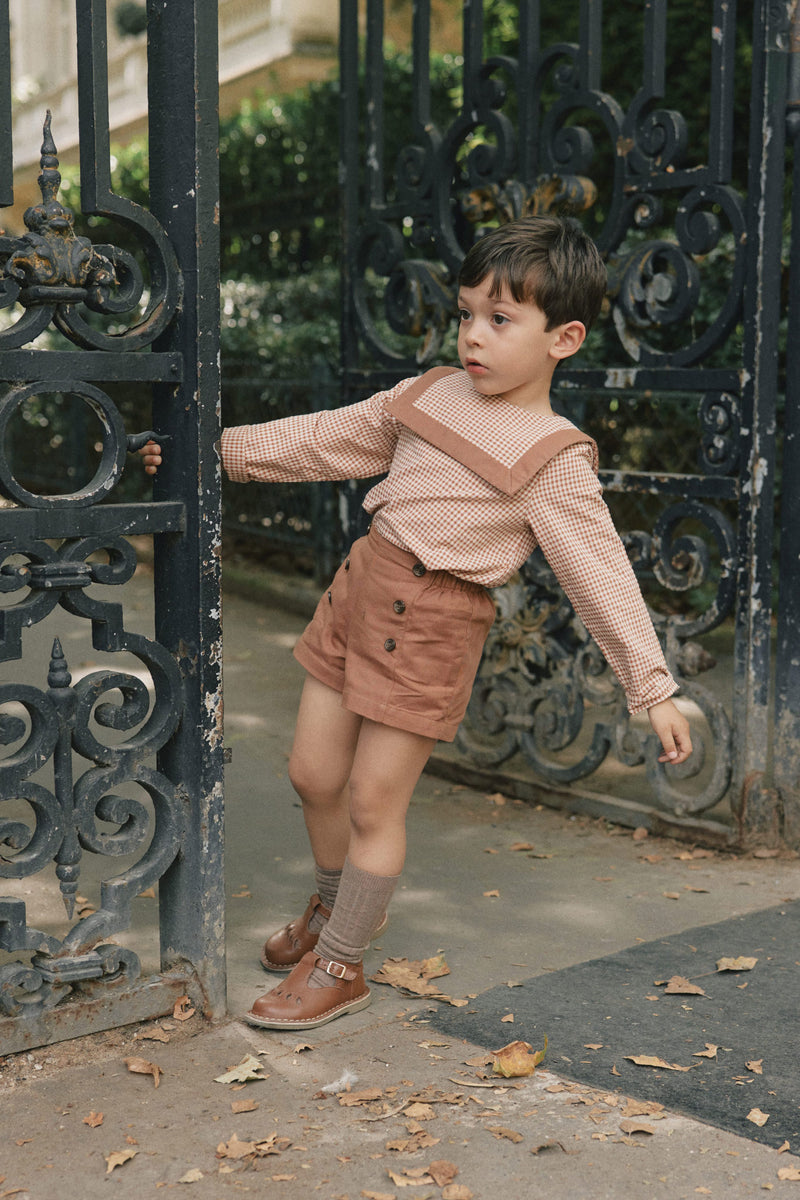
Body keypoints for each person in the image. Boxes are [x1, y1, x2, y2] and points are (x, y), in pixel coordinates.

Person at [140, 215, 692, 1032]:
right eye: (467, 313)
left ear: (563, 338)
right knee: (312, 773)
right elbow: (327, 440)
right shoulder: (428, 392)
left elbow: (599, 573)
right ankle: (335, 911)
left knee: (371, 800)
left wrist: (651, 687)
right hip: (361, 589)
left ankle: (343, 965)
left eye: (501, 321)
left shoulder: (552, 455)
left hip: (434, 623)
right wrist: (209, 452)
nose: (474, 335)